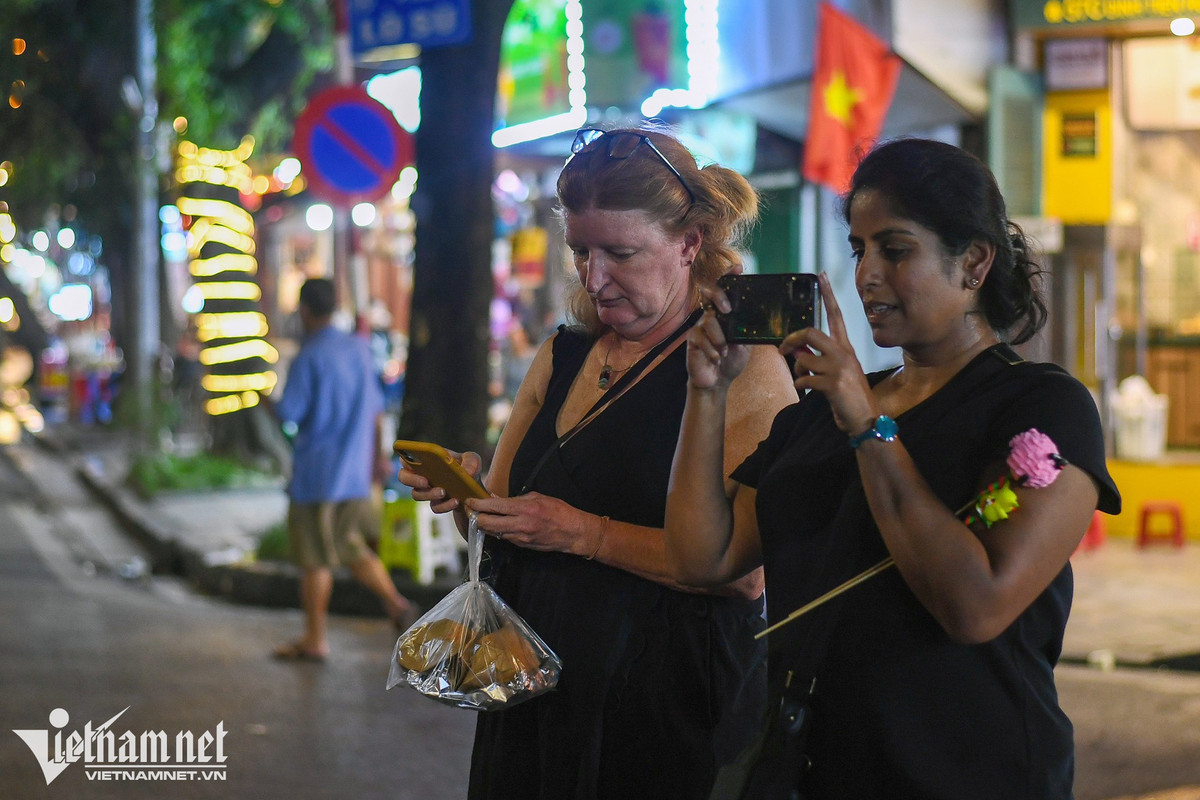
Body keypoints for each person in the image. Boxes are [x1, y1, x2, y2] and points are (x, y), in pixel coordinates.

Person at [667, 138, 1121, 799]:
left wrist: (867, 425)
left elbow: (976, 605)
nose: (867, 274)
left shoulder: (1041, 406)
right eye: (859, 249)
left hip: (965, 775)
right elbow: (702, 557)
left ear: (973, 263)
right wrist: (705, 393)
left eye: (896, 249)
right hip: (808, 768)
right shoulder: (823, 405)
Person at [400, 125, 797, 798]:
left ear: (689, 244)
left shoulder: (741, 363)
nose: (595, 276)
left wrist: (581, 532)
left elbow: (745, 573)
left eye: (621, 252)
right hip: (531, 692)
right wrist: (474, 497)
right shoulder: (563, 353)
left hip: (667, 708)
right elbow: (498, 523)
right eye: (581, 250)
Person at [273, 278, 419, 662]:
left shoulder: (308, 356)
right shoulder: (357, 349)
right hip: (354, 472)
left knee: (316, 557)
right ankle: (395, 603)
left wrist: (261, 402)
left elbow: (290, 412)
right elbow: (374, 411)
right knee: (349, 545)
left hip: (317, 475)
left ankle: (314, 638)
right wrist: (375, 458)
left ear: (305, 310)